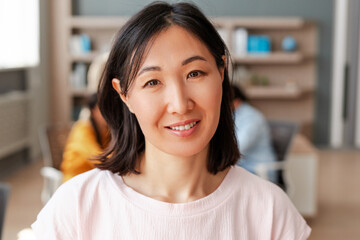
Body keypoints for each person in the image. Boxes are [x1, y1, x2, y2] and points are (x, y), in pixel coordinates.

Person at [32, 2, 311, 239]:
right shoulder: (78, 207)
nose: (180, 104)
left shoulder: (270, 211)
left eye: (195, 74)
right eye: (153, 81)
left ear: (221, 72)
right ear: (124, 94)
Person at [232, 85, 278, 183]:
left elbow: (238, 148)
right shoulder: (234, 115)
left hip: (257, 170)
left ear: (236, 101)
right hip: (243, 167)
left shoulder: (252, 117)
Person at [60, 93, 110, 182]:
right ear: (93, 112)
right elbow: (97, 158)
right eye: (103, 108)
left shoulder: (105, 130)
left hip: (94, 178)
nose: (109, 112)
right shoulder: (82, 129)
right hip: (75, 180)